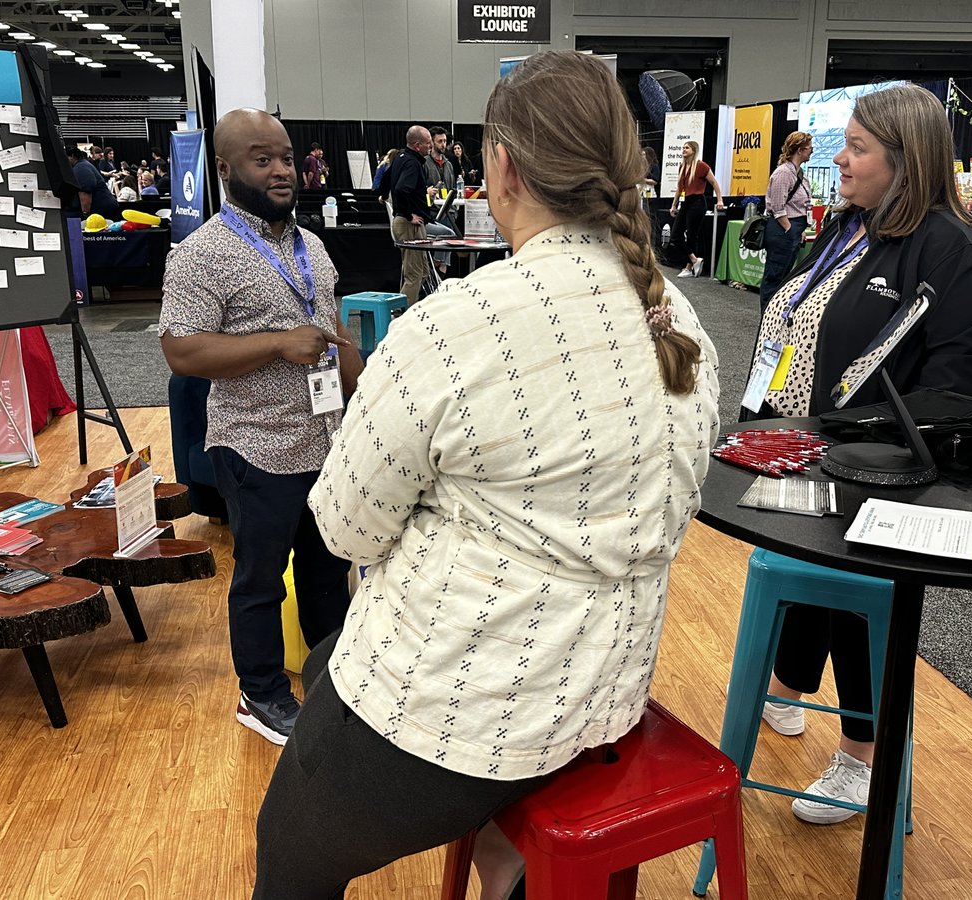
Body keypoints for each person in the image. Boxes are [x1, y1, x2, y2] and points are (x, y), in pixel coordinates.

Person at [252, 49, 720, 900]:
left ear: (501, 167)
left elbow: (343, 528)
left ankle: (500, 846)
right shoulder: (676, 318)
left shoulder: (456, 324)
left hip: (476, 712)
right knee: (326, 664)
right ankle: (507, 860)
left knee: (286, 846)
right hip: (607, 687)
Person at [744, 82, 972, 825]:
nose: (840, 158)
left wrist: (879, 446)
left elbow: (960, 385)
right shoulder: (851, 224)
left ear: (906, 157)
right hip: (807, 446)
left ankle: (862, 757)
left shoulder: (956, 249)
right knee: (804, 565)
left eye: (857, 147)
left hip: (880, 472)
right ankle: (790, 690)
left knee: (859, 598)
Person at [159, 108, 364, 746]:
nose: (281, 171)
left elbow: (331, 332)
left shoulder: (312, 247)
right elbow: (182, 352)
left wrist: (370, 392)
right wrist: (278, 344)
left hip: (325, 439)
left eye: (285, 157)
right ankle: (261, 692)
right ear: (224, 169)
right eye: (261, 159)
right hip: (255, 445)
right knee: (259, 577)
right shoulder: (203, 254)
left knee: (328, 569)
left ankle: (330, 683)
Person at [389, 125, 454, 303]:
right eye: (429, 143)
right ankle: (401, 315)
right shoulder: (412, 163)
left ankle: (412, 308)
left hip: (414, 222)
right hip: (410, 223)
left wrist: (380, 196)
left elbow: (386, 181)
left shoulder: (400, 157)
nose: (431, 146)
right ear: (418, 145)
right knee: (414, 275)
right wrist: (410, 215)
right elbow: (402, 189)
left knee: (422, 271)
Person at [759, 131, 814, 309]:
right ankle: (766, 317)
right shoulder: (783, 173)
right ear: (800, 150)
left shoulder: (799, 174)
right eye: (809, 148)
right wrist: (790, 230)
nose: (812, 151)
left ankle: (774, 315)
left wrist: (800, 230)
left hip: (792, 228)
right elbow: (777, 207)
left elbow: (798, 206)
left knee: (783, 276)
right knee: (774, 277)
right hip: (782, 230)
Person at [669, 140, 726, 278]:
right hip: (686, 202)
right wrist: (673, 205)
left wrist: (719, 199)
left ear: (693, 150)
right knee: (675, 235)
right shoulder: (682, 166)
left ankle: (689, 267)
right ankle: (695, 260)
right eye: (683, 147)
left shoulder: (701, 166)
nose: (684, 150)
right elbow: (679, 189)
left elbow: (714, 183)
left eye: (687, 148)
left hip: (698, 202)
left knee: (692, 235)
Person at [423, 126, 459, 273]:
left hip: (449, 210)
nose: (443, 144)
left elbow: (452, 188)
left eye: (444, 141)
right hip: (432, 212)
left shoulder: (449, 164)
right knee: (450, 232)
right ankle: (440, 265)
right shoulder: (424, 163)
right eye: (440, 141)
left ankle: (440, 265)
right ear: (432, 142)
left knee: (452, 227)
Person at [67, 146, 120, 220]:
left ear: (72, 156)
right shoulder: (84, 164)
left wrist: (86, 214)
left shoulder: (80, 168)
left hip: (102, 211)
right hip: (104, 208)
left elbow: (86, 191)